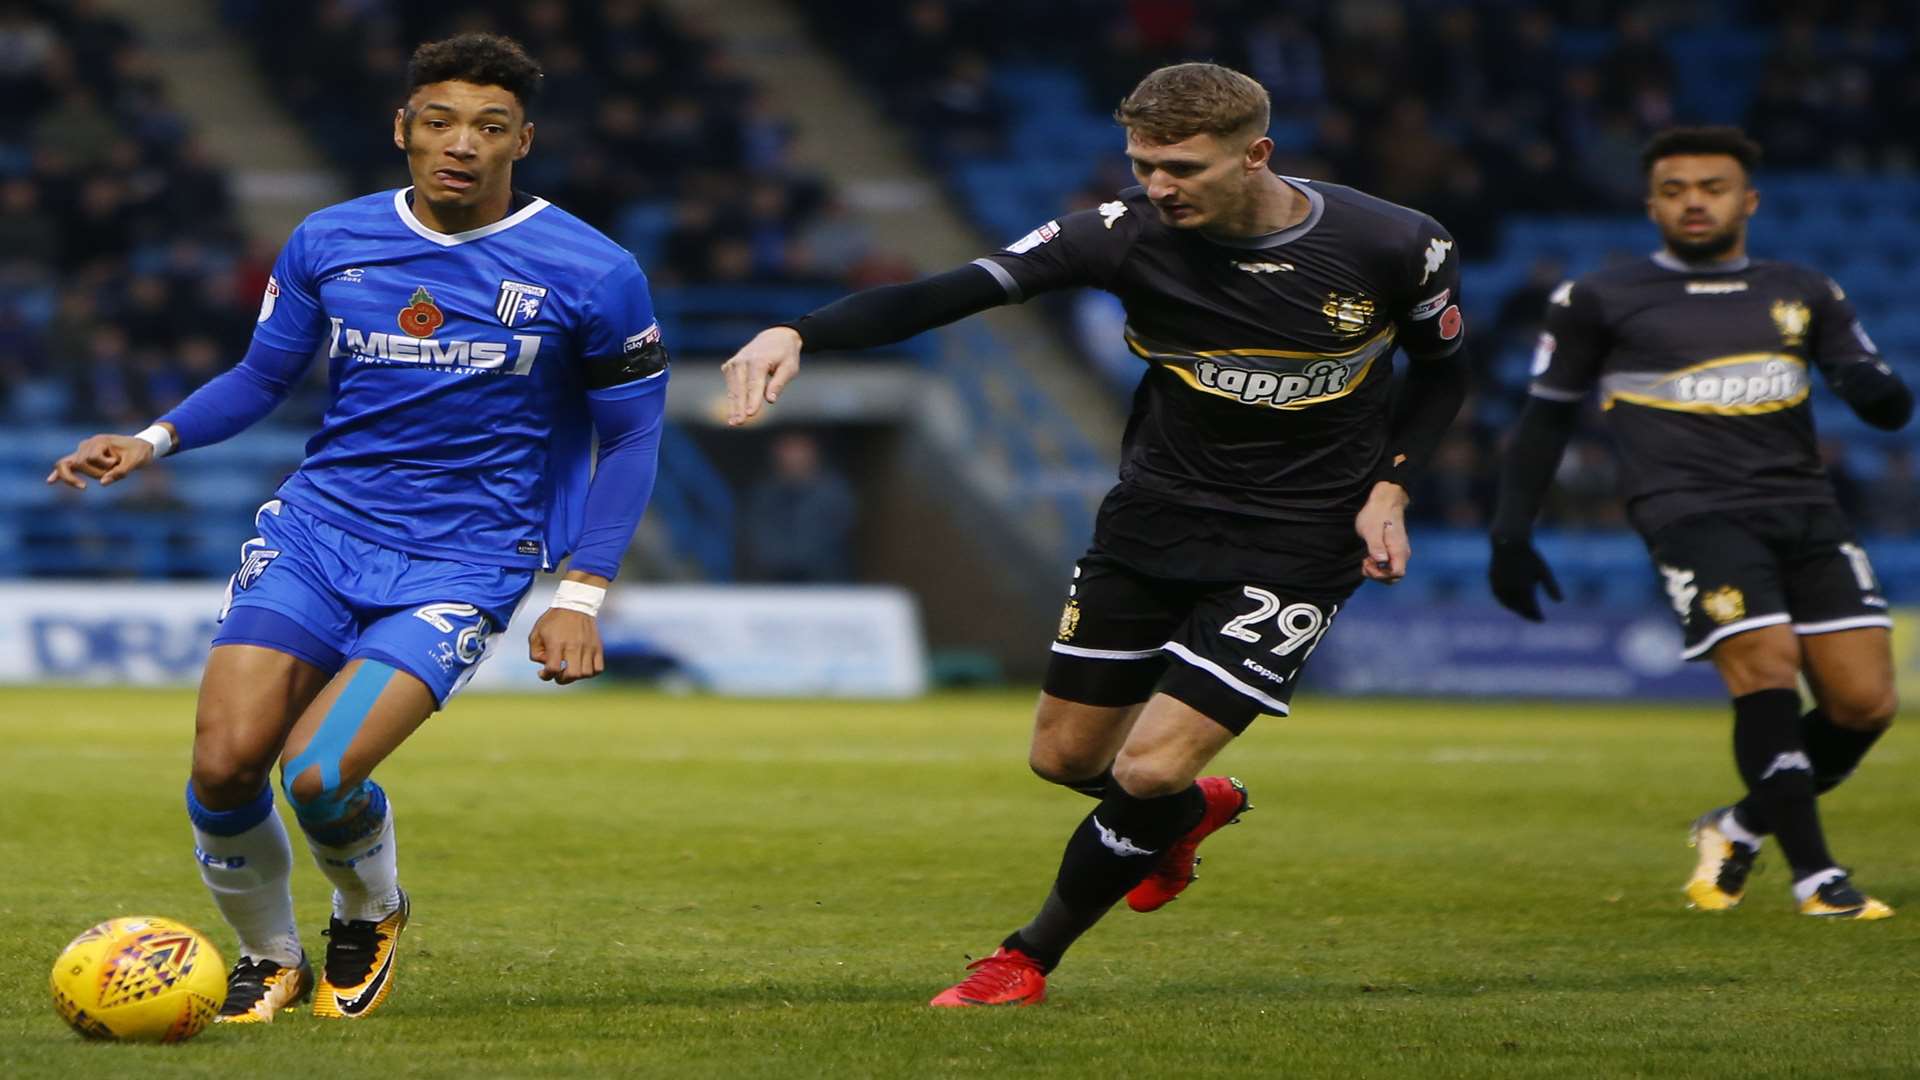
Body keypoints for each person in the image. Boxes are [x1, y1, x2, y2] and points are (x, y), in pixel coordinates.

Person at [722, 62, 1471, 1006]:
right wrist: (802, 331)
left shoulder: (1395, 243)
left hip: (1302, 535)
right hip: (1155, 518)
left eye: (1181, 168)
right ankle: (1189, 813)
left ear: (1257, 155)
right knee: (1067, 761)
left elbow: (1443, 374)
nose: (1157, 187)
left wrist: (1391, 488)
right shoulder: (1118, 236)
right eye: (1142, 163)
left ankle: (1023, 959)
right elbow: (957, 290)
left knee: (1148, 763)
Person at [46, 33, 670, 1020]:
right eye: (440, 122)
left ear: (523, 143)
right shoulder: (331, 239)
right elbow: (261, 377)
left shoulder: (593, 270)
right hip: (319, 532)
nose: (461, 143)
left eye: (489, 127)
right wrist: (152, 439)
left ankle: (370, 908)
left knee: (321, 772)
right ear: (402, 130)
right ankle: (269, 957)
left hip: (466, 556)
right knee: (222, 764)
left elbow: (630, 437)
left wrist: (581, 592)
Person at [1487, 126, 1910, 920]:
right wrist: (1512, 533)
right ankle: (1819, 879)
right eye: (1675, 188)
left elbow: (1874, 387)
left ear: (1747, 199)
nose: (1693, 201)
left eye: (1711, 187)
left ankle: (1740, 825)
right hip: (1689, 512)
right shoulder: (1598, 299)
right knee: (1767, 667)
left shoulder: (1805, 289)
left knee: (1865, 705)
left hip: (1807, 510)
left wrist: (1875, 391)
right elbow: (1542, 422)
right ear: (1651, 204)